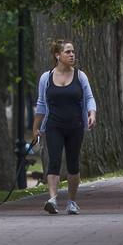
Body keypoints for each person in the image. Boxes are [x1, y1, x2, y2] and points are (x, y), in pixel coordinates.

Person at [29, 39, 96, 215]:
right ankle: (52, 199)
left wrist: (92, 113)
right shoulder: (47, 77)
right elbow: (41, 103)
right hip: (54, 126)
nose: (72, 54)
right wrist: (35, 128)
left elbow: (89, 98)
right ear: (57, 55)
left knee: (73, 164)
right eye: (67, 52)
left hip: (75, 126)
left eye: (73, 51)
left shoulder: (80, 76)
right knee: (54, 161)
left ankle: (72, 202)